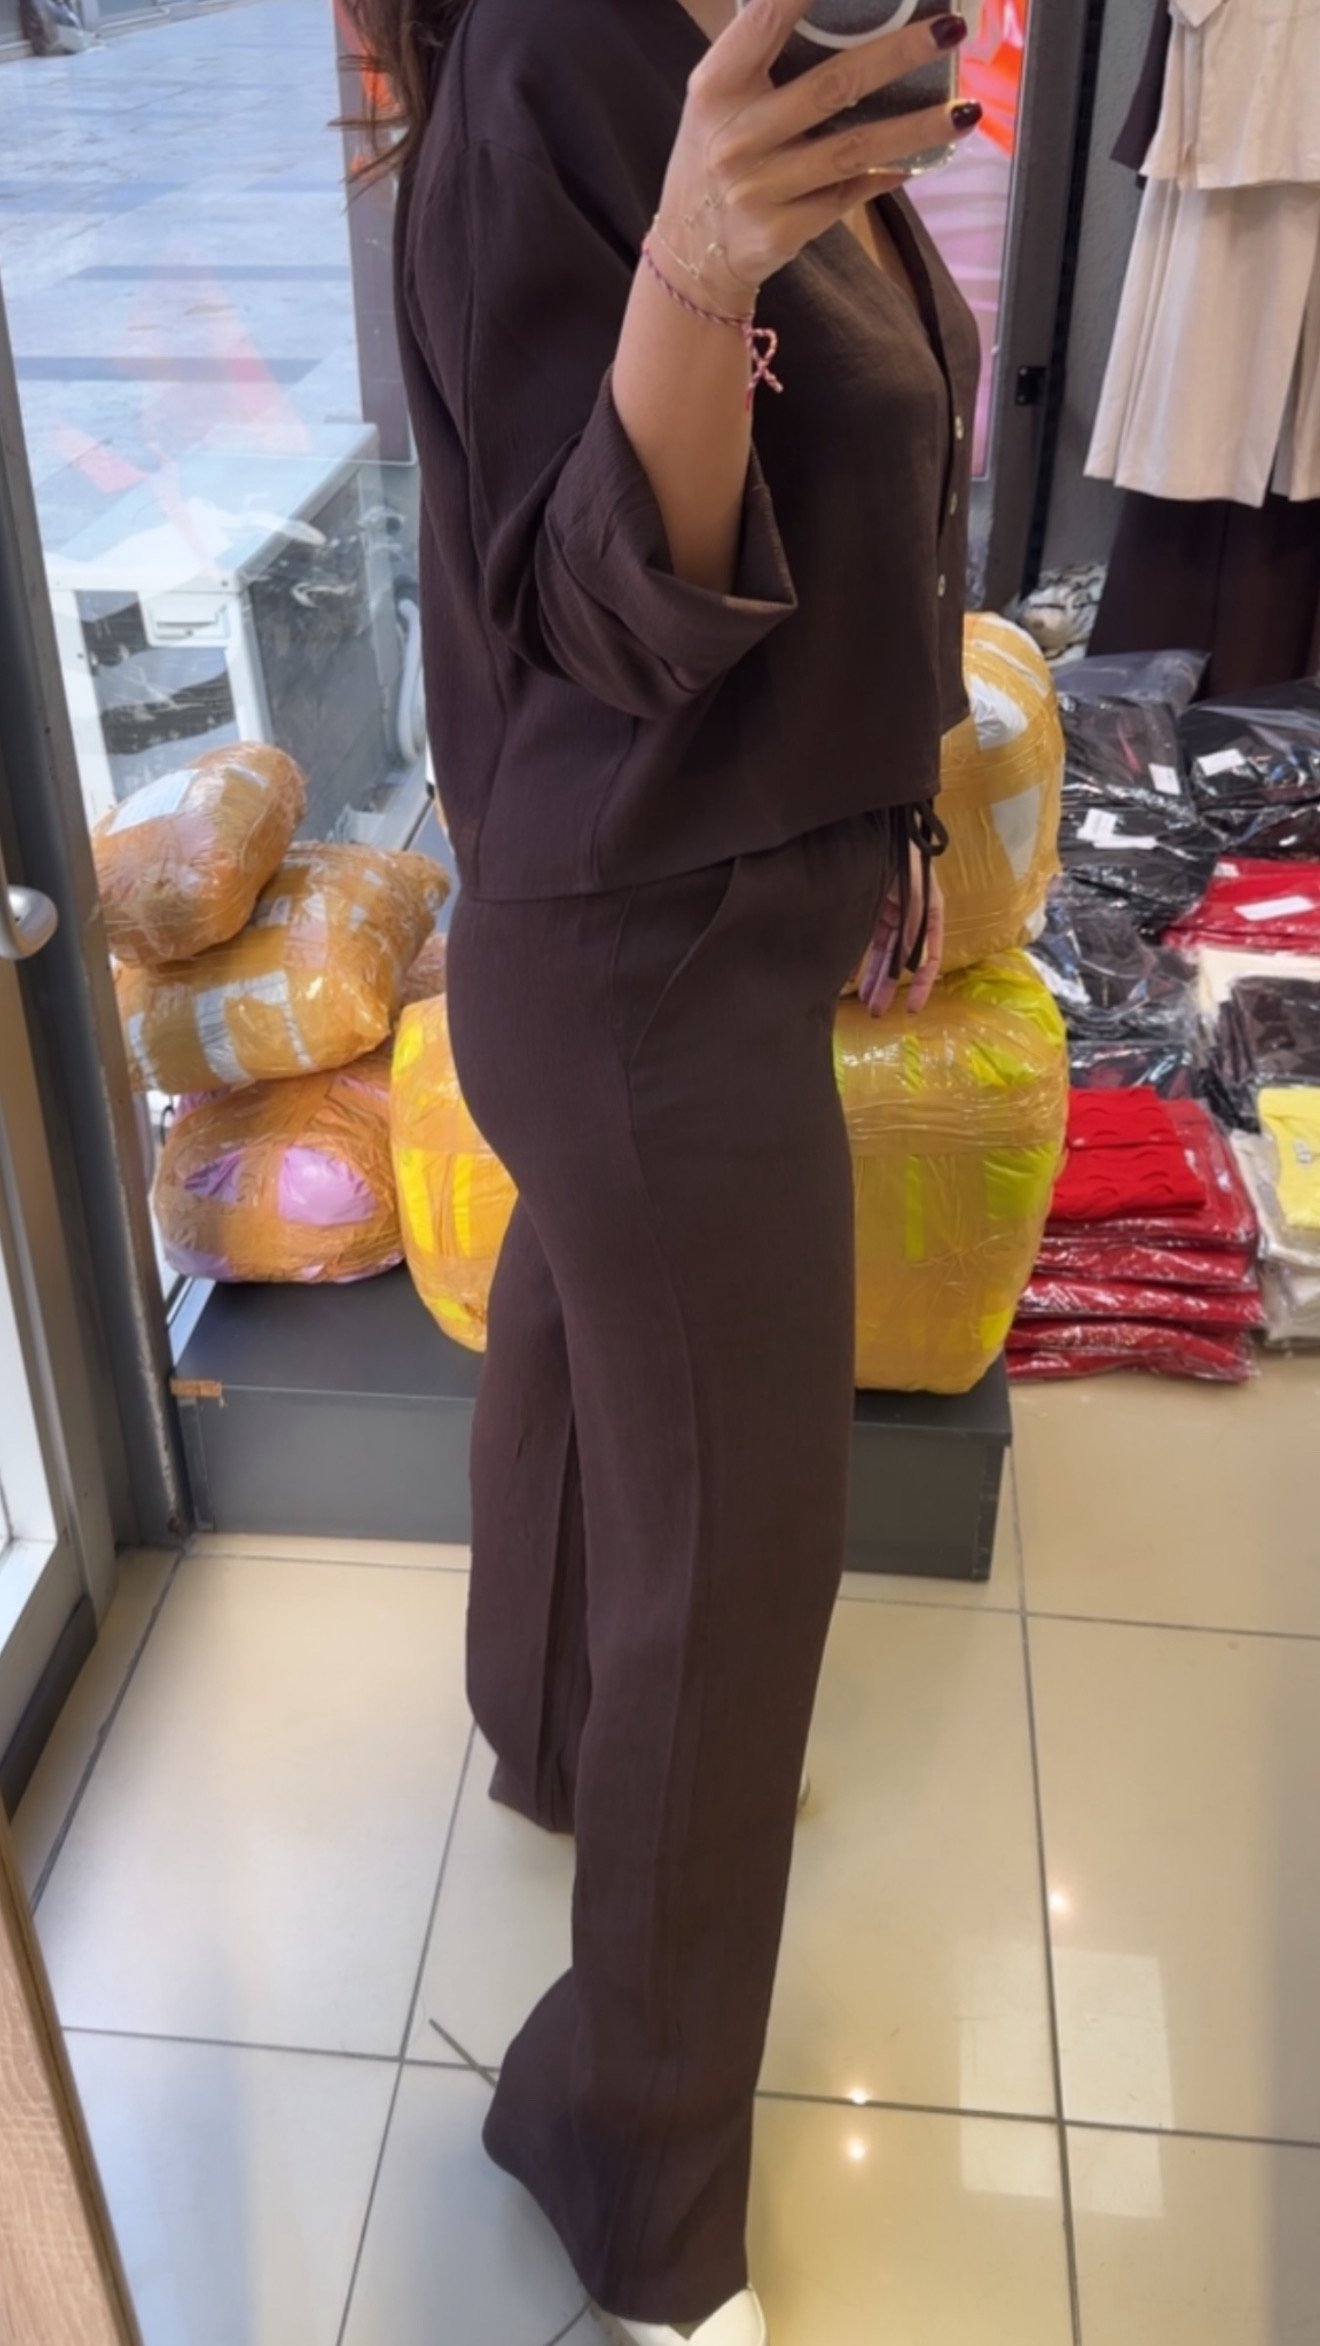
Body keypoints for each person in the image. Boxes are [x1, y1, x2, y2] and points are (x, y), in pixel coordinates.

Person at [350, 1, 980, 2337]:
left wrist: (900, 802)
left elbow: (882, 483)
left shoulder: (769, 36)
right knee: (738, 1567)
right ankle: (632, 2186)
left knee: (585, 1338)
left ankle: (546, 1743)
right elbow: (607, 611)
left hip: (711, 901)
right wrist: (699, 263)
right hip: (642, 949)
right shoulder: (562, 65)